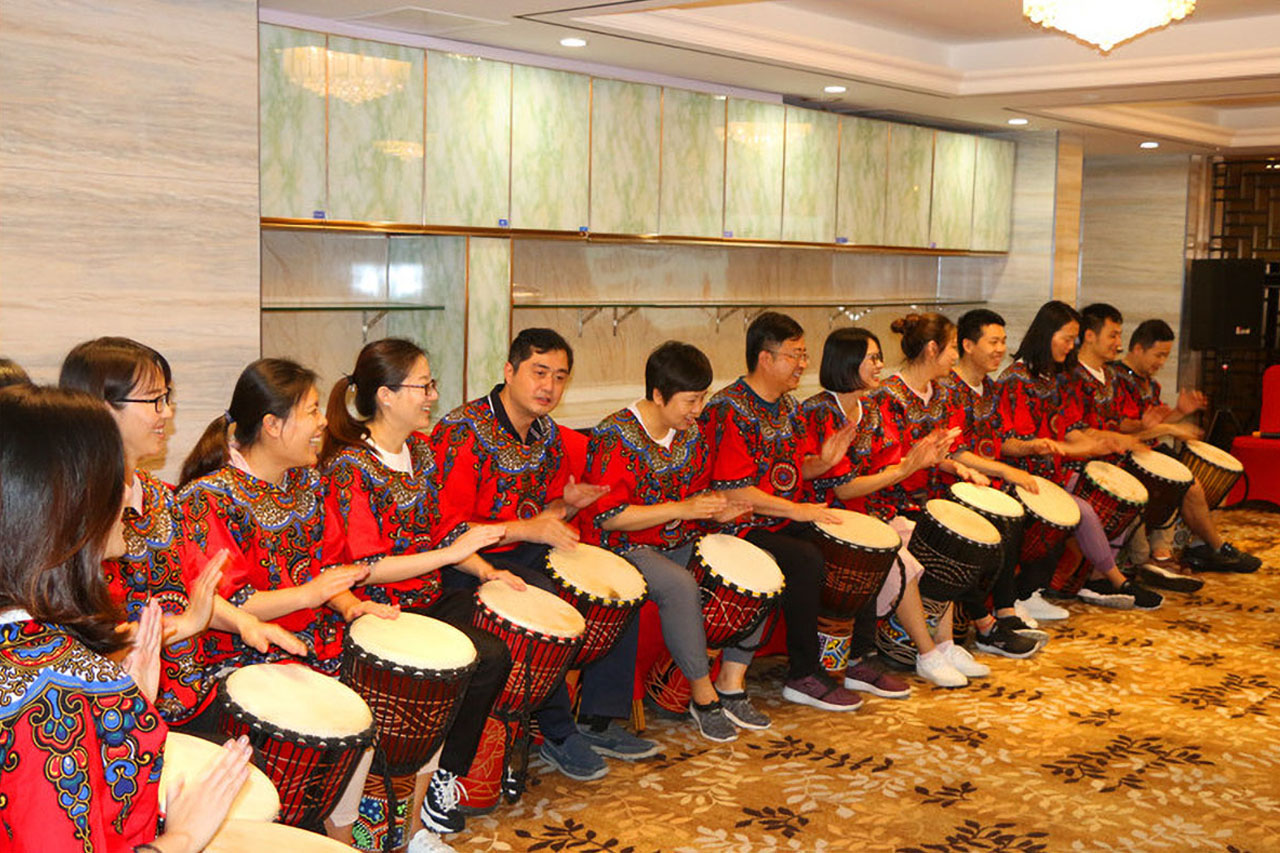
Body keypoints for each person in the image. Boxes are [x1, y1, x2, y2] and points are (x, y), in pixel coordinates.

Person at [0, 384, 253, 853]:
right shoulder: (52, 693)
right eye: (111, 479)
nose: (124, 494)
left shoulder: (47, 661)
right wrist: (183, 836)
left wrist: (123, 712)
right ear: (69, 509)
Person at [431, 328, 657, 787]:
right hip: (465, 566)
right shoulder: (461, 432)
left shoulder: (546, 434)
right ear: (509, 371)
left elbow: (545, 514)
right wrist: (526, 528)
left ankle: (598, 720)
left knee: (619, 586)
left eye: (559, 377)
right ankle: (556, 732)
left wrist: (567, 505)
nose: (549, 387)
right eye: (539, 372)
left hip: (523, 550)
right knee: (543, 597)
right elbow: (447, 529)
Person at [177, 358, 388, 841]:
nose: (323, 423)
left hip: (311, 643)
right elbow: (233, 603)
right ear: (272, 425)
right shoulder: (208, 498)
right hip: (242, 656)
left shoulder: (308, 483)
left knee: (366, 703)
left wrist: (350, 605)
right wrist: (310, 594)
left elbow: (328, 567)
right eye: (311, 411)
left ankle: (341, 831)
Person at [319, 338, 513, 838]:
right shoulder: (350, 467)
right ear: (385, 395)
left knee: (492, 653)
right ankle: (415, 787)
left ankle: (445, 774)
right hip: (381, 610)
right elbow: (365, 567)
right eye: (423, 386)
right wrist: (451, 556)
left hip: (429, 597)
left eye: (431, 384)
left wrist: (485, 570)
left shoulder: (422, 452)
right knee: (480, 657)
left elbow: (446, 530)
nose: (432, 396)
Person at [59, 337, 305, 730]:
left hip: (188, 688)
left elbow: (191, 589)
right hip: (119, 712)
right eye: (154, 401)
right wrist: (189, 623)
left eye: (167, 398)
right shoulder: (72, 513)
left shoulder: (159, 495)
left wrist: (245, 623)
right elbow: (87, 643)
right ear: (102, 407)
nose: (168, 412)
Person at [581, 341, 765, 742]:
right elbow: (610, 517)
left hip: (681, 538)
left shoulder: (691, 434)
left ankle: (732, 684)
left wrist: (717, 513)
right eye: (690, 400)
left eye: (702, 398)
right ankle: (703, 696)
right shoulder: (615, 434)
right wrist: (683, 509)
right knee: (679, 585)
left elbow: (695, 499)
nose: (698, 410)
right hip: (623, 548)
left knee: (753, 562)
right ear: (659, 395)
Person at [699, 311, 862, 710]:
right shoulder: (729, 409)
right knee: (805, 558)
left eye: (804, 354)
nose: (803, 364)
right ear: (765, 358)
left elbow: (791, 470)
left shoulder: (788, 406)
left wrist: (822, 463)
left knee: (846, 542)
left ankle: (855, 659)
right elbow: (735, 488)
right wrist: (796, 510)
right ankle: (802, 674)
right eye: (795, 355)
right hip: (739, 524)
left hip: (780, 516)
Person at [802, 327, 968, 690]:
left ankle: (945, 644)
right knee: (900, 559)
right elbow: (844, 489)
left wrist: (926, 458)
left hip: (876, 512)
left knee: (933, 542)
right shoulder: (818, 411)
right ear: (847, 362)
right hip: (832, 518)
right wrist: (907, 468)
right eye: (872, 358)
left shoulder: (872, 408)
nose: (880, 365)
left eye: (879, 357)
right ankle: (926, 654)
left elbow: (890, 466)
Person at [861, 313, 996, 683]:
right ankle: (927, 652)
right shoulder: (886, 397)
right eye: (952, 347)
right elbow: (888, 462)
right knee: (936, 536)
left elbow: (938, 453)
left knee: (950, 536)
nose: (955, 356)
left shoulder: (944, 393)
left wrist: (956, 465)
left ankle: (946, 644)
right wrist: (925, 459)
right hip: (889, 500)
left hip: (927, 498)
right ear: (932, 349)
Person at [997, 301, 1146, 616]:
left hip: (1050, 475)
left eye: (1073, 339)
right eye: (1066, 338)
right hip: (1021, 478)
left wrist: (1101, 443)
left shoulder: (1051, 378)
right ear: (1047, 334)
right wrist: (1077, 448)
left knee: (1093, 500)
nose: (1071, 346)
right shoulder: (1015, 379)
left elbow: (1068, 429)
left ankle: (1039, 590)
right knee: (1081, 510)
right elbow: (1010, 442)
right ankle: (1108, 581)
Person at [1113, 318, 1261, 578]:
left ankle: (1194, 546)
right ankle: (1213, 547)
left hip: (1151, 452)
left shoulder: (1151, 384)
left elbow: (1155, 423)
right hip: (1129, 455)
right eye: (1158, 355)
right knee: (1188, 485)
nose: (1161, 362)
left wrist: (1180, 412)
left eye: (1166, 356)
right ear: (1137, 348)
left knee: (1197, 481)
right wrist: (1169, 428)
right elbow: (1123, 428)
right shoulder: (1115, 379)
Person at [937, 310, 1047, 657]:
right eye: (993, 341)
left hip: (986, 482)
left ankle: (1006, 609)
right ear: (968, 345)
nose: (1001, 349)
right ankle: (993, 620)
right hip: (950, 483)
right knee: (1000, 513)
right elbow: (956, 451)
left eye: (1003, 341)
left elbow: (1000, 440)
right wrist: (1005, 471)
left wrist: (1031, 447)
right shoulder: (947, 389)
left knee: (1015, 508)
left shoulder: (992, 388)